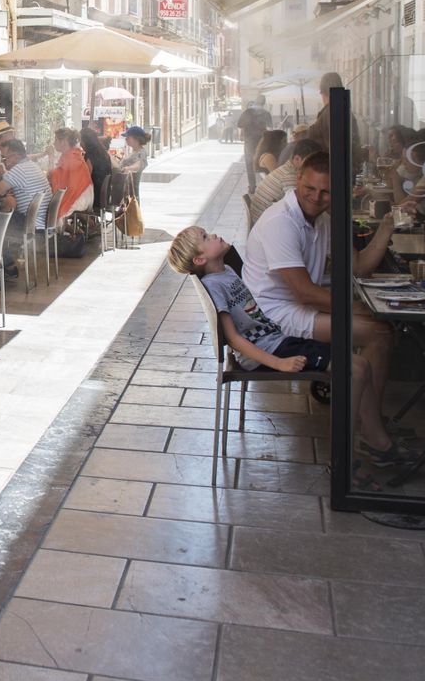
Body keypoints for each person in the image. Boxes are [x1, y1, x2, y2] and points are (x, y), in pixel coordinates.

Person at [169, 226, 397, 487]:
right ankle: (343, 459)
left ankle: (377, 441)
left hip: (278, 341)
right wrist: (279, 363)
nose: (213, 235)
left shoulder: (227, 271)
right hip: (271, 352)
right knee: (355, 369)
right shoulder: (214, 285)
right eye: (205, 238)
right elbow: (234, 340)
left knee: (361, 365)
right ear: (200, 259)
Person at [243, 152, 409, 466]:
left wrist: (387, 227)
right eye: (310, 188)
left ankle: (367, 423)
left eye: (326, 192)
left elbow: (358, 266)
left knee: (381, 329)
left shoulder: (324, 221)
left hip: (295, 306)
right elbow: (304, 293)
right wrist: (357, 307)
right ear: (299, 181)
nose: (316, 198)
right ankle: (366, 428)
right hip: (274, 317)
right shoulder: (281, 222)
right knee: (376, 331)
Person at [0, 138, 50, 272]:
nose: (4, 162)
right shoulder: (32, 166)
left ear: (16, 156)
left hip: (31, 223)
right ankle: (6, 263)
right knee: (5, 214)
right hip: (39, 220)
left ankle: (6, 266)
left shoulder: (18, 170)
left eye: (5, 158)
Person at [247, 138, 322, 227]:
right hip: (266, 224)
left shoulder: (287, 169)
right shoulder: (289, 175)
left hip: (262, 218)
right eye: (310, 163)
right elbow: (297, 208)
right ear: (297, 159)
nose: (314, 167)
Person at [306, 71, 362, 163]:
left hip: (331, 169)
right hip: (344, 167)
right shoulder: (346, 111)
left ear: (322, 92)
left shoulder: (331, 112)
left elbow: (334, 147)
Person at [49, 127, 95, 219]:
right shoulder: (74, 154)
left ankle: (60, 229)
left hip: (80, 198)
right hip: (85, 194)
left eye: (56, 140)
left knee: (51, 207)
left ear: (64, 142)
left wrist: (50, 157)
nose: (54, 143)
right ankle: (75, 229)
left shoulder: (71, 157)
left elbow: (53, 176)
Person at [235, 99, 273, 192]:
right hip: (263, 141)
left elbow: (239, 124)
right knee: (264, 161)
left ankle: (252, 186)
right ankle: (266, 185)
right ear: (264, 103)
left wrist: (246, 127)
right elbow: (270, 127)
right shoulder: (266, 113)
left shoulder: (248, 112)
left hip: (250, 142)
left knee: (249, 163)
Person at [81, 125, 114, 200]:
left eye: (80, 141)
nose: (80, 144)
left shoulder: (89, 155)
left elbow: (86, 178)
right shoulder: (104, 153)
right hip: (104, 196)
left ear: (86, 141)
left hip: (95, 196)